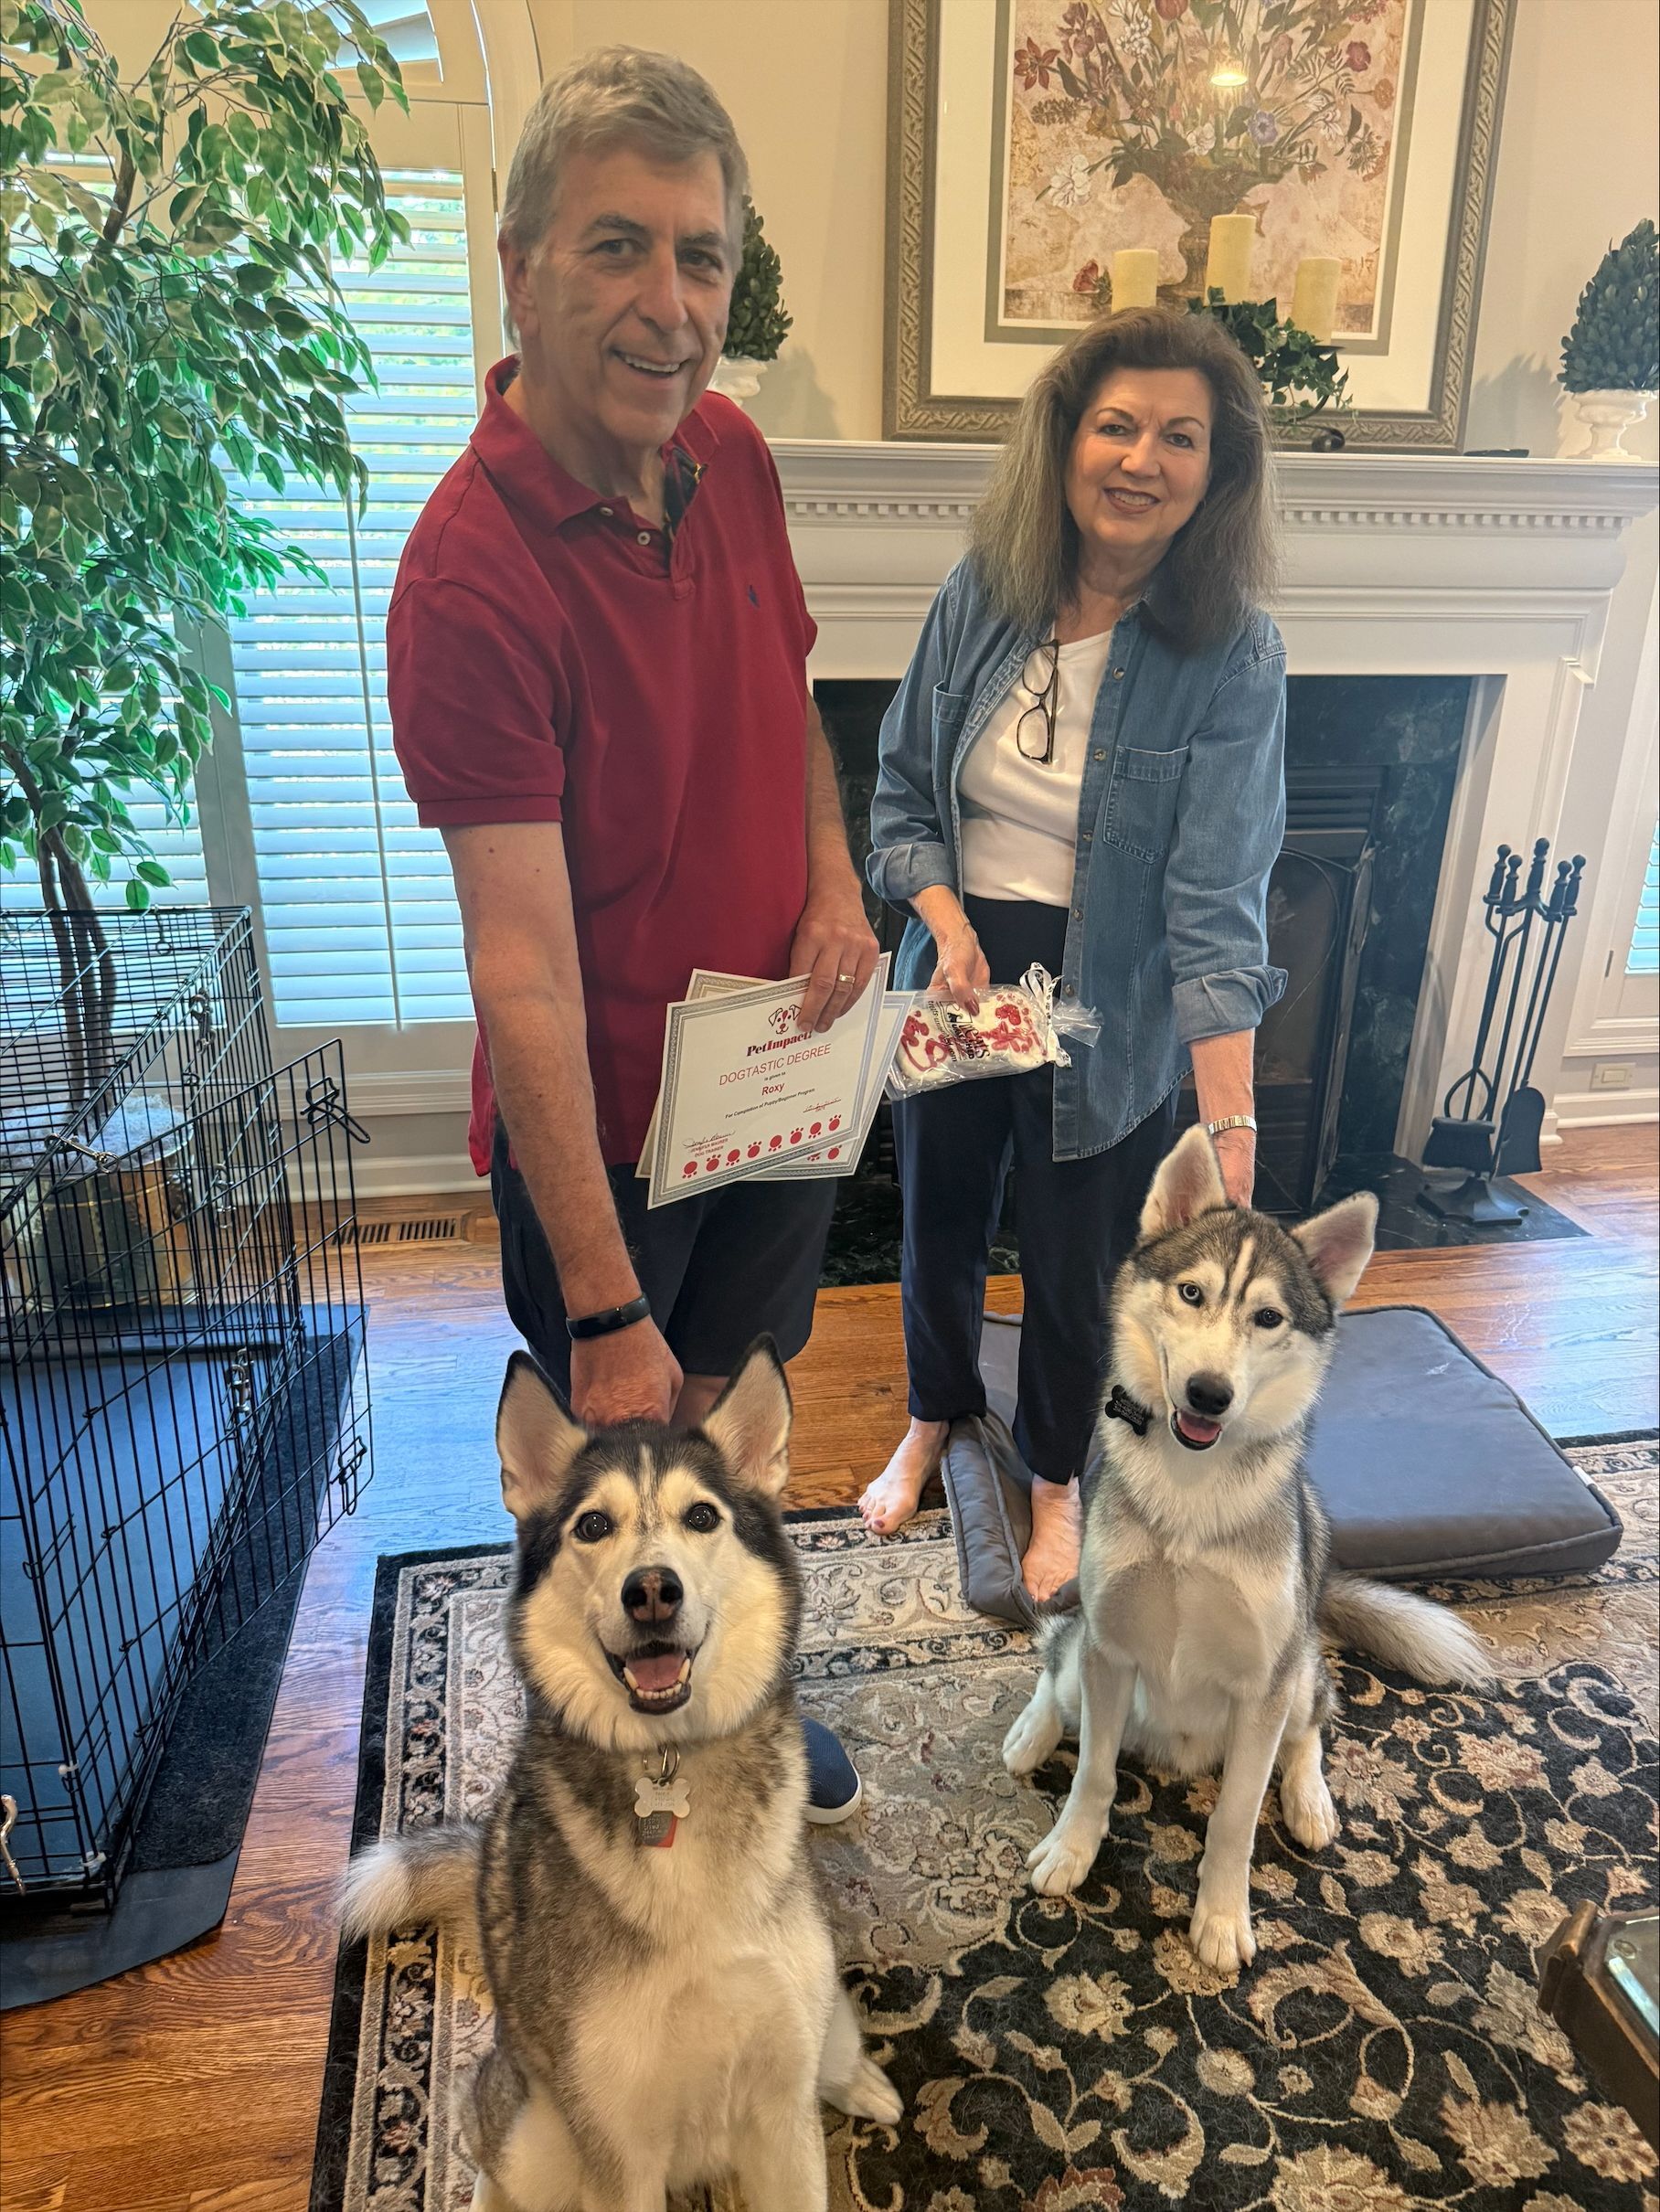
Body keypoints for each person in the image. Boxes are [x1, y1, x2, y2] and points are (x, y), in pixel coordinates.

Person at [386, 48, 879, 1819]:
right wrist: (601, 1303)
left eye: (702, 256)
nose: (670, 305)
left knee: (727, 1449)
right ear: (519, 266)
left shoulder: (728, 453)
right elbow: (518, 973)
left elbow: (789, 695)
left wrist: (833, 886)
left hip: (772, 1078)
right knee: (614, 1497)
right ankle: (608, 1774)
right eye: (618, 247)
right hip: (605, 1145)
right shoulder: (467, 579)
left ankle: (733, 1715)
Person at [860, 307, 1287, 1601]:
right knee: (936, 1227)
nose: (1141, 459)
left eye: (1179, 437)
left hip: (1109, 1001)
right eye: (1117, 425)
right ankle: (934, 1412)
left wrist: (1228, 1130)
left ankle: (1056, 1473)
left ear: (1215, 470)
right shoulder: (980, 593)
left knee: (1074, 1265)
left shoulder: (1234, 654)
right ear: (1066, 441)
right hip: (957, 973)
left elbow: (1217, 901)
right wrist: (944, 924)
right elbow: (900, 797)